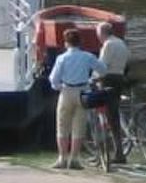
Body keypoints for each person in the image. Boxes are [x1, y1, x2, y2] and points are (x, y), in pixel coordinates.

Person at [47, 28, 104, 169]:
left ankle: (62, 158)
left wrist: (58, 87)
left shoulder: (62, 58)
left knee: (62, 125)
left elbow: (53, 79)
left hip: (66, 91)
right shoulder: (87, 56)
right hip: (83, 91)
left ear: (66, 43)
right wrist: (92, 78)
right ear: (80, 42)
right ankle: (75, 158)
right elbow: (102, 69)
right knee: (79, 126)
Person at [93, 20, 131, 161]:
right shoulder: (121, 43)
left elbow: (102, 66)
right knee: (113, 113)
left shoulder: (108, 45)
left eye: (98, 33)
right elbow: (127, 60)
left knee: (110, 116)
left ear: (102, 33)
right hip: (120, 78)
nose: (98, 36)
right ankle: (117, 151)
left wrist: (93, 78)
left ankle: (116, 153)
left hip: (108, 80)